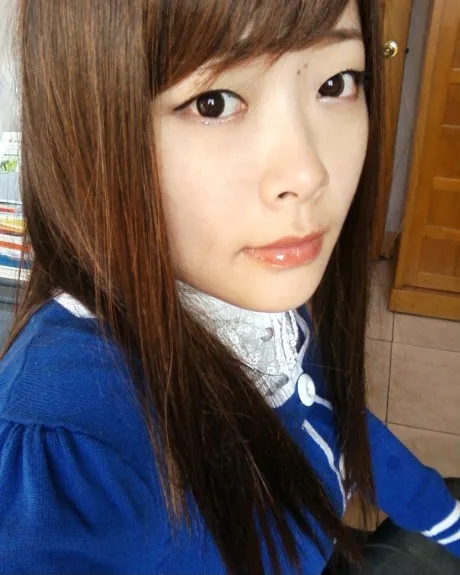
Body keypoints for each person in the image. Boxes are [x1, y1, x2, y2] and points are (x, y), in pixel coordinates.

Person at [0, 0, 459, 573]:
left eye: (335, 83)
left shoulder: (255, 299)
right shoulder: (69, 453)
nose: (307, 174)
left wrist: (446, 519)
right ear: (86, 127)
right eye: (213, 102)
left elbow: (332, 418)